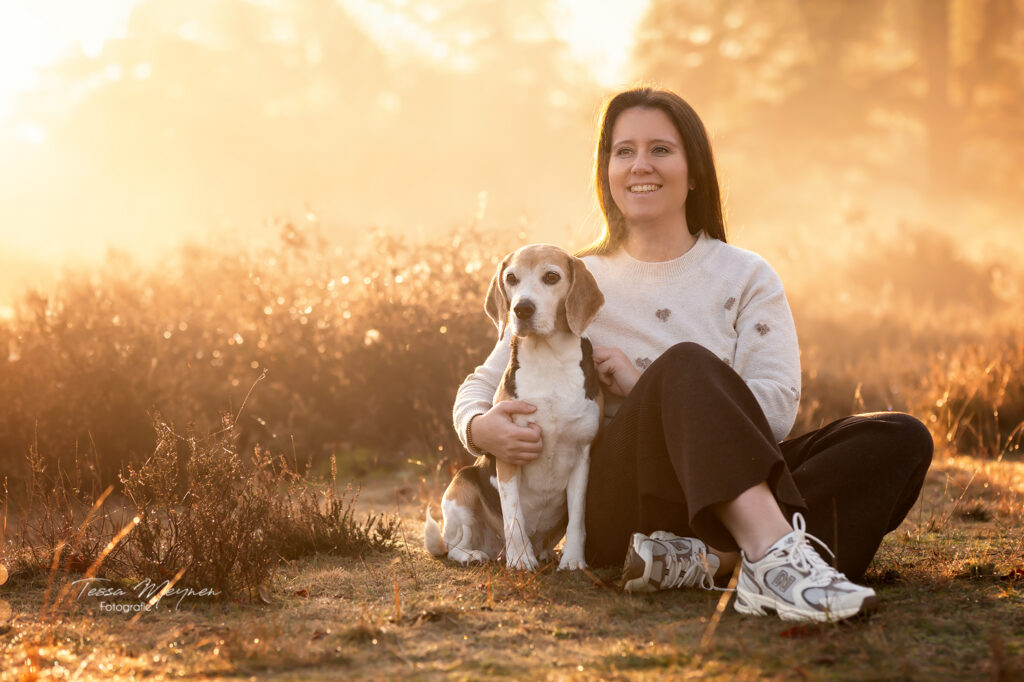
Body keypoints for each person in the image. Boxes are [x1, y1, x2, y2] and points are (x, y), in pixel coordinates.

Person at [452, 87, 933, 623]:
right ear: (606, 170)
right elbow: (485, 381)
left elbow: (775, 409)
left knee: (899, 437)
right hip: (625, 497)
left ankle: (711, 559)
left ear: (694, 171)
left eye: (661, 149)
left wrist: (647, 385)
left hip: (736, 475)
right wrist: (479, 427)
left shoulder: (747, 275)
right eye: (623, 150)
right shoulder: (569, 280)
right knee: (685, 363)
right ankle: (775, 562)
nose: (640, 165)